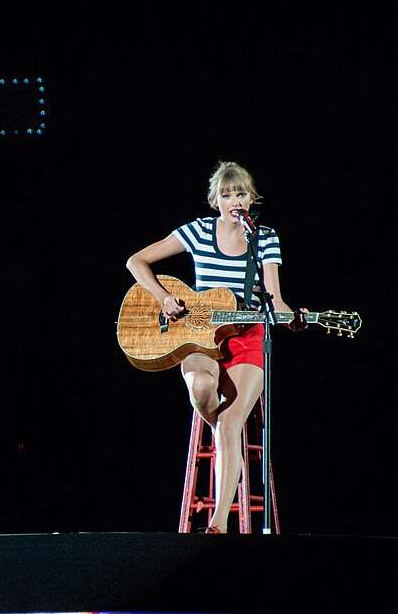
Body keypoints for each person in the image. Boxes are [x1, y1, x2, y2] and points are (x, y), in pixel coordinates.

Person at [125, 160, 306, 534]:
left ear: (252, 198)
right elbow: (136, 261)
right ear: (215, 200)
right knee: (205, 391)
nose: (234, 200)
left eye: (240, 193)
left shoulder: (265, 238)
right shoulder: (198, 232)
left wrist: (294, 317)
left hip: (248, 336)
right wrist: (162, 298)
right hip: (200, 336)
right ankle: (226, 441)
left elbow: (276, 300)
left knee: (228, 424)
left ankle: (219, 523)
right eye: (226, 194)